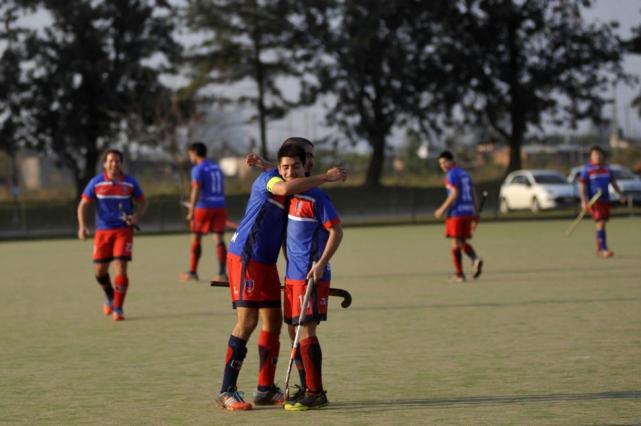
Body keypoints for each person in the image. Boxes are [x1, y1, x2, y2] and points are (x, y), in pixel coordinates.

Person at [216, 142, 347, 411]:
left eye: (309, 158)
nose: (306, 164)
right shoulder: (273, 180)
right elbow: (283, 184)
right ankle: (226, 390)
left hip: (267, 263)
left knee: (274, 323)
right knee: (247, 321)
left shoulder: (301, 191)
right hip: (246, 257)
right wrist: (326, 176)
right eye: (300, 160)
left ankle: (265, 389)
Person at [280, 140, 343, 411]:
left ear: (305, 166)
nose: (290, 172)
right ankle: (306, 387)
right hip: (292, 276)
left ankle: (316, 392)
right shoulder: (290, 195)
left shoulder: (317, 197)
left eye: (295, 166)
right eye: (285, 167)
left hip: (311, 275)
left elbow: (336, 231)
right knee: (293, 329)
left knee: (306, 330)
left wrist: (321, 265)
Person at [77, 149, 147, 321]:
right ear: (104, 163)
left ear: (121, 164)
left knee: (120, 266)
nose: (113, 164)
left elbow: (143, 202)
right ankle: (109, 295)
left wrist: (136, 216)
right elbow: (83, 205)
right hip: (102, 232)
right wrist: (82, 226)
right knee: (100, 272)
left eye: (117, 161)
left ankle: (118, 307)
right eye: (110, 161)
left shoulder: (130, 183)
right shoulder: (96, 182)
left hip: (124, 230)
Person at [180, 142, 228, 282]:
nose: (190, 157)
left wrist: (191, 209)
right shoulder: (217, 168)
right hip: (220, 205)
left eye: (190, 154)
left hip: (203, 207)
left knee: (196, 237)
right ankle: (222, 274)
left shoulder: (197, 169)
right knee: (218, 239)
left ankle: (193, 272)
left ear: (194, 153)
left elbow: (196, 189)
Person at [434, 151, 483, 283]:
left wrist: (442, 209)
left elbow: (454, 193)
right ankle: (460, 273)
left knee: (457, 242)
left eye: (445, 162)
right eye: (440, 163)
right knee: (457, 242)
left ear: (452, 161)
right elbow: (473, 193)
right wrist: (476, 211)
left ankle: (473, 261)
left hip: (456, 213)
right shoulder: (465, 174)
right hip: (468, 212)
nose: (443, 165)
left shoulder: (451, 174)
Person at [578, 146, 625, 258]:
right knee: (601, 222)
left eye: (599, 154)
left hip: (605, 200)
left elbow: (613, 183)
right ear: (591, 156)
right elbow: (582, 187)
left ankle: (599, 249)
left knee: (601, 224)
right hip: (594, 202)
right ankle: (604, 249)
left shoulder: (607, 169)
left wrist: (620, 194)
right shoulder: (587, 169)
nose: (597, 156)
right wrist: (584, 201)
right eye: (595, 154)